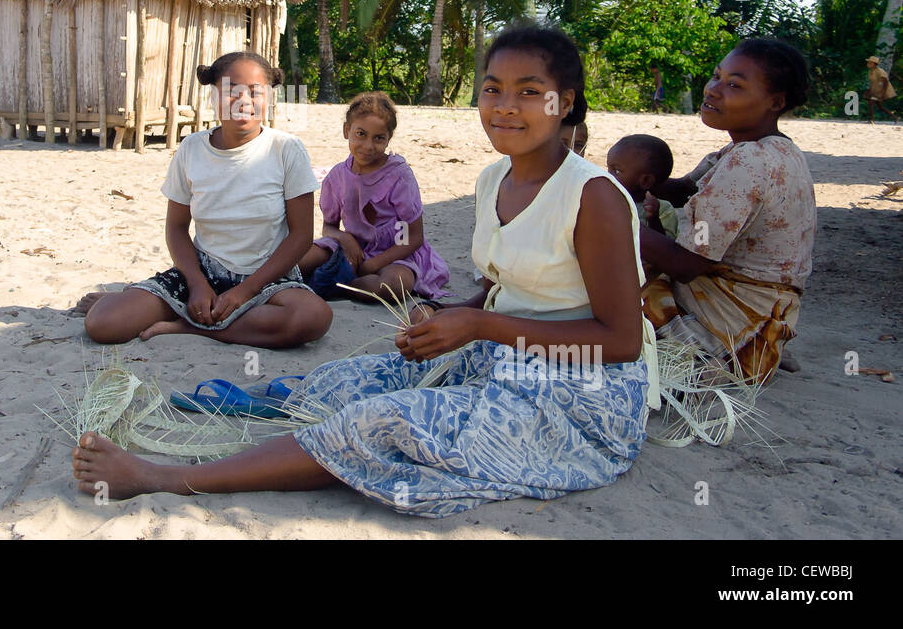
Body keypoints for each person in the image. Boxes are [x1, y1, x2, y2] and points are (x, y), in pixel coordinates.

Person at [71, 25, 652, 516]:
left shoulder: (592, 197)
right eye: (493, 89)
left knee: (382, 421)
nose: (504, 106)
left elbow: (622, 341)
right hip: (503, 355)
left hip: (579, 393)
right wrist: (448, 316)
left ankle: (166, 479)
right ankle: (235, 411)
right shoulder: (494, 179)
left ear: (565, 101)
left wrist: (478, 328)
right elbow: (507, 291)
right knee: (347, 380)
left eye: (529, 92)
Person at [81, 51, 332, 348]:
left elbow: (302, 236)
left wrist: (246, 291)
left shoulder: (287, 149)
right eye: (231, 91)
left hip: (267, 278)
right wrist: (197, 284)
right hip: (203, 272)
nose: (244, 101)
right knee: (103, 323)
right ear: (213, 95)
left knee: (312, 317)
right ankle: (185, 309)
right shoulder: (192, 150)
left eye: (255, 92)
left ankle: (189, 328)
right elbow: (176, 228)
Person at [641, 39, 816, 384]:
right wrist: (625, 177)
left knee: (609, 278)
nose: (714, 90)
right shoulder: (773, 150)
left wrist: (615, 222)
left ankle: (699, 358)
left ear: (775, 102)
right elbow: (683, 189)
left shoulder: (749, 161)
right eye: (717, 77)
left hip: (734, 339)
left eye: (734, 85)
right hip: (765, 325)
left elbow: (686, 265)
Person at [296, 92, 451, 303]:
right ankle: (300, 281)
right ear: (346, 131)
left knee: (391, 287)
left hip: (396, 253)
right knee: (301, 259)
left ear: (388, 139)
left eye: (379, 138)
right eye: (361, 134)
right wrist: (346, 238)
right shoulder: (337, 177)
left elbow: (412, 237)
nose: (368, 146)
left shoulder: (398, 176)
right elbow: (328, 228)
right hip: (352, 250)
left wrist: (372, 265)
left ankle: (338, 286)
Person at [607, 134, 678, 239]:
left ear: (645, 181)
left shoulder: (663, 210)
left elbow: (663, 248)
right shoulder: (604, 200)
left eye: (616, 171)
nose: (608, 176)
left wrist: (653, 218)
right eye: (608, 169)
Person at [865, 56, 898, 123]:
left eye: (870, 63)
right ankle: (895, 117)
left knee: (871, 103)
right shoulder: (871, 71)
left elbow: (885, 82)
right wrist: (868, 91)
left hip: (881, 91)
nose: (868, 64)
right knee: (880, 106)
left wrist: (883, 93)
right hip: (876, 90)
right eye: (868, 63)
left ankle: (872, 119)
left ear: (874, 64)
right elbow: (872, 82)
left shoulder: (880, 71)